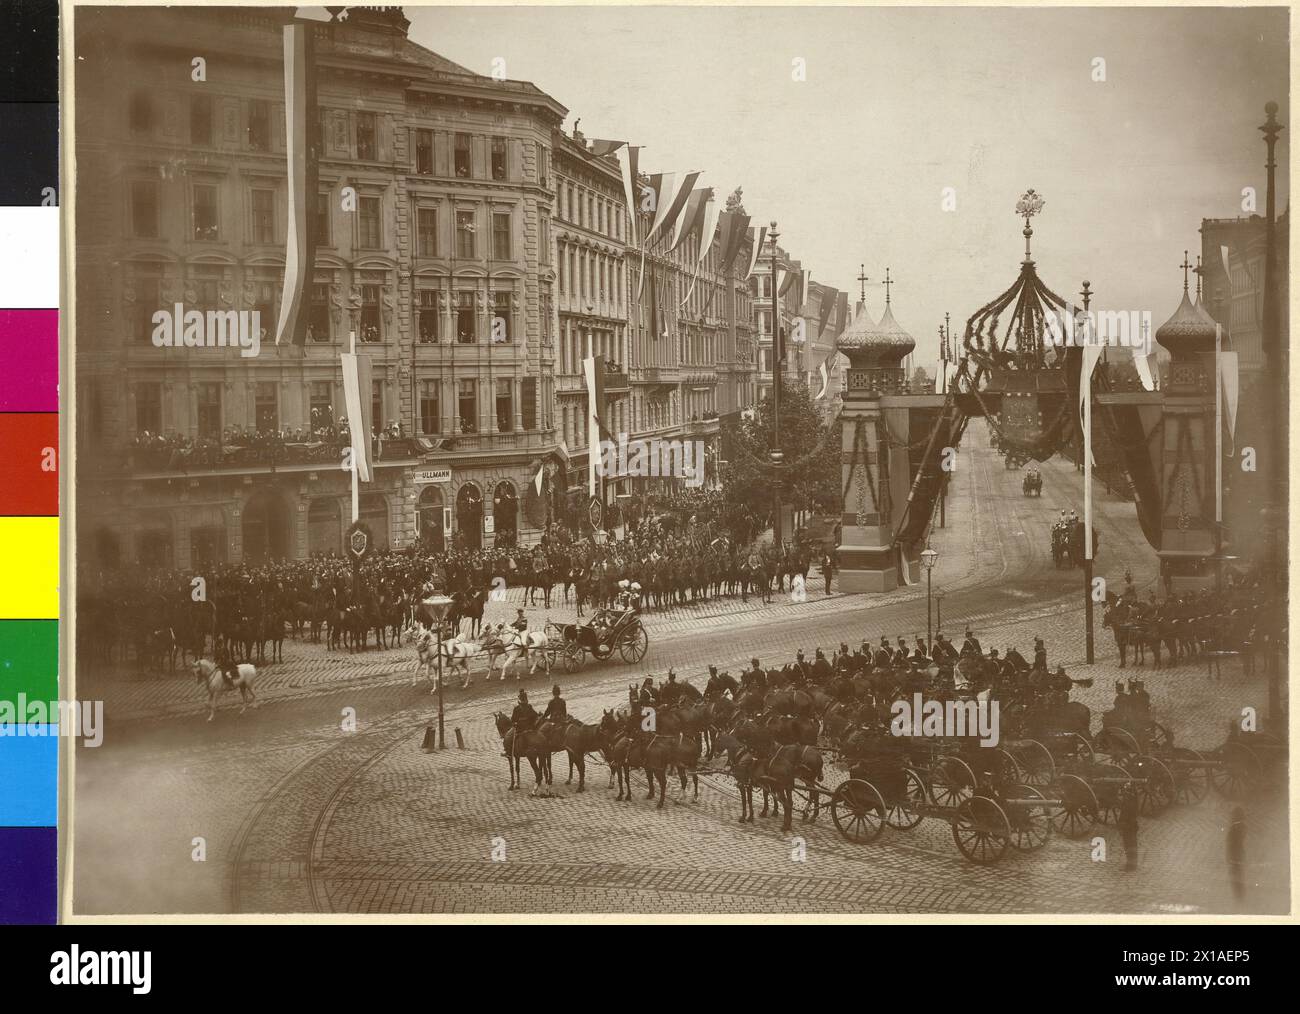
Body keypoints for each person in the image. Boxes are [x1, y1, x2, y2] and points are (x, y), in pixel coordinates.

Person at [1226, 806, 1247, 906]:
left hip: (1234, 855)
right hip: (1240, 854)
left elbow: (1230, 843)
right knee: (1239, 872)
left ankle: (1238, 894)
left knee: (1235, 874)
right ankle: (1240, 893)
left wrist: (1229, 856)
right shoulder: (1243, 826)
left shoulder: (1233, 828)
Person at [1118, 785, 1139, 871]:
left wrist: (1121, 825)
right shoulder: (1133, 800)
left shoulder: (1127, 803)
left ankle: (1130, 866)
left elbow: (1124, 815)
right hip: (1132, 826)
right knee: (1132, 844)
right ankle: (1133, 864)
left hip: (1128, 826)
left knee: (1128, 845)